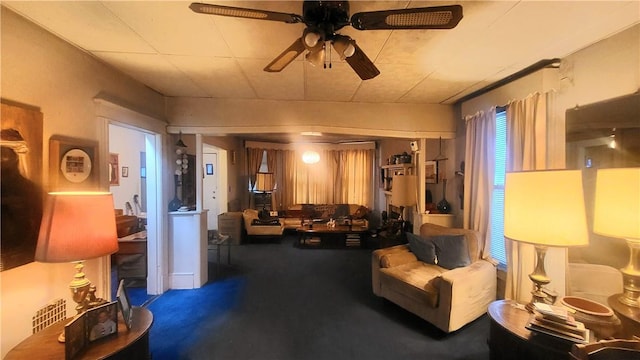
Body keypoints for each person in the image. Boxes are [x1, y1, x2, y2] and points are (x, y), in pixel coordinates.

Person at [1, 129, 43, 271]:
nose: (1, 160)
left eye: (4, 154)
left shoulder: (30, 190)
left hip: (23, 258)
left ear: (15, 157)